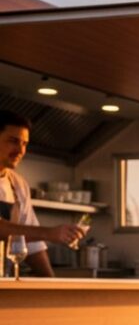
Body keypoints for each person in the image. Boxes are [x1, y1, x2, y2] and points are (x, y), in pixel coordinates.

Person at [0, 110, 86, 277]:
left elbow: (32, 246)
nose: (20, 150)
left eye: (24, 144)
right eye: (13, 141)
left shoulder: (17, 184)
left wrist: (51, 283)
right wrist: (49, 233)